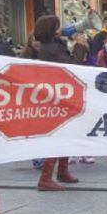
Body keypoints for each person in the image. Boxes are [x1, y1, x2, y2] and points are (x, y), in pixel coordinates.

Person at [29, 16, 80, 191]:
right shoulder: (52, 48)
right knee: (59, 136)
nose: (61, 28)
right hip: (57, 98)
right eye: (58, 26)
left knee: (66, 134)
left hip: (59, 95)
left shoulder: (51, 46)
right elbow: (73, 66)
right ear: (52, 29)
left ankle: (62, 171)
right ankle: (45, 178)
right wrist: (80, 47)